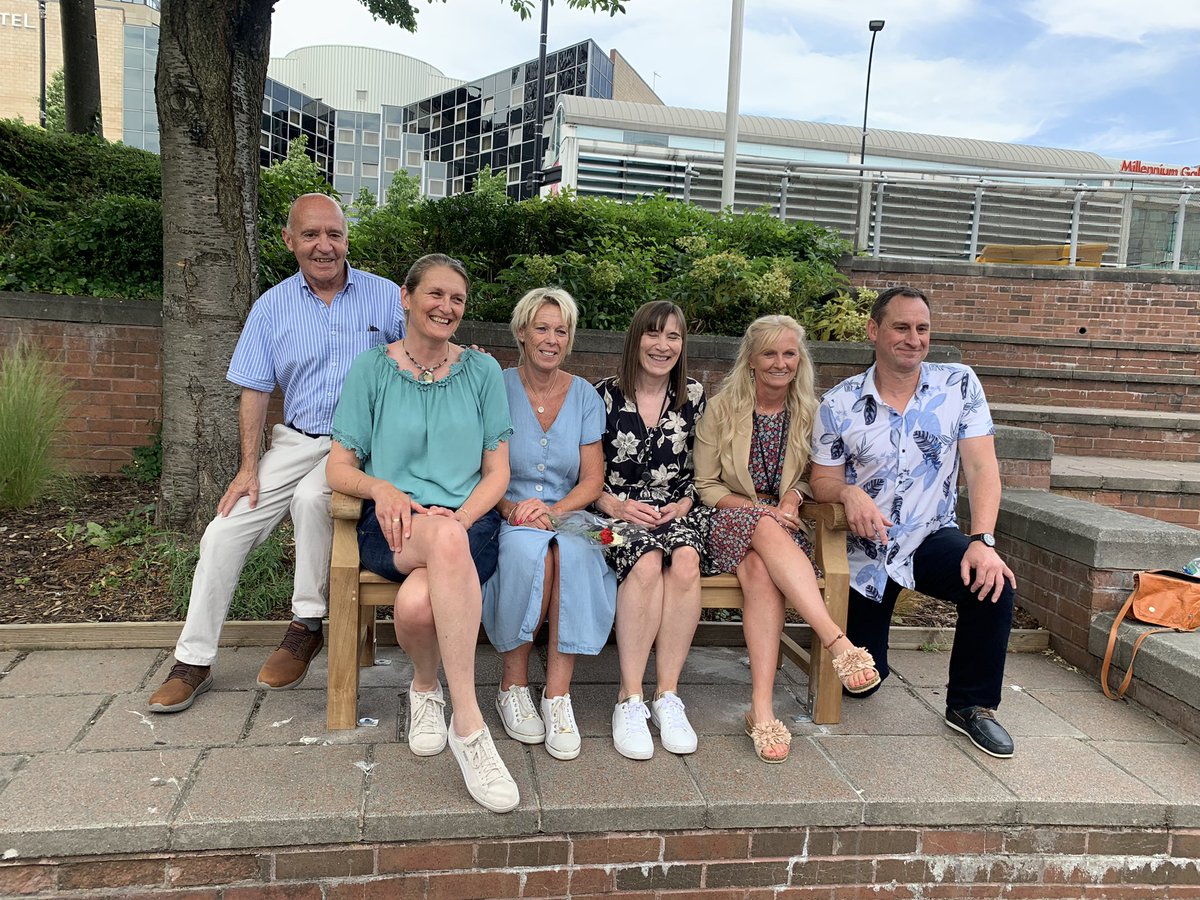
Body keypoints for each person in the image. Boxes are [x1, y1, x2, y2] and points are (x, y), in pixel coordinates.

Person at [149, 193, 403, 714]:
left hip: (359, 447)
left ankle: (305, 625)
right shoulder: (272, 306)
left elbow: (427, 350)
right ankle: (192, 661)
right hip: (295, 439)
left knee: (314, 501)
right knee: (223, 530)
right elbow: (254, 390)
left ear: (346, 238)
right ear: (290, 241)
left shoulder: (384, 297)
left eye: (333, 234)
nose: (323, 245)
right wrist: (247, 468)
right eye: (310, 235)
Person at [325, 253, 519, 813]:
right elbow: (337, 468)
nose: (446, 307)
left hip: (467, 523)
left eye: (457, 299)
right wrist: (383, 489)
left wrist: (456, 522)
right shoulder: (371, 370)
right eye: (435, 294)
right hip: (393, 525)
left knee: (414, 608)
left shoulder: (481, 372)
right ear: (406, 299)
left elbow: (497, 472)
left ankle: (426, 688)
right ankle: (471, 725)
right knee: (433, 558)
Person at [809, 285, 1017, 759]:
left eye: (922, 329)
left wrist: (982, 539)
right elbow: (821, 479)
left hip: (930, 536)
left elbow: (983, 468)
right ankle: (868, 657)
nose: (913, 338)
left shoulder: (958, 384)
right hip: (866, 549)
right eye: (901, 327)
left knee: (993, 584)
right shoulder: (839, 404)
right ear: (874, 331)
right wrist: (847, 491)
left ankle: (972, 707)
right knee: (863, 681)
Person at [694, 315, 880, 764]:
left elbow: (815, 478)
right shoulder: (721, 408)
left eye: (789, 353)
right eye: (770, 354)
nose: (781, 363)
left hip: (780, 534)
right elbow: (706, 485)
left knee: (760, 571)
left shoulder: (812, 412)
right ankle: (838, 642)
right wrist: (762, 509)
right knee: (764, 525)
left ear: (800, 359)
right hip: (725, 519)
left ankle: (761, 708)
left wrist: (794, 497)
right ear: (752, 360)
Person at [482, 288, 615, 761]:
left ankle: (558, 697)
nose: (551, 338)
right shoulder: (494, 385)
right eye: (542, 328)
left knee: (574, 552)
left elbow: (593, 478)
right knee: (523, 552)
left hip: (571, 514)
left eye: (561, 330)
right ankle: (512, 686)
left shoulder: (583, 395)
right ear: (522, 332)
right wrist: (510, 510)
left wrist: (555, 513)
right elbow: (480, 469)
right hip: (510, 512)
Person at [593, 300, 708, 760]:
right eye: (654, 334)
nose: (663, 345)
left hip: (677, 512)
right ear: (635, 338)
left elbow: (706, 471)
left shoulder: (695, 396)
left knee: (684, 562)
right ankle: (630, 697)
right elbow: (583, 473)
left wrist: (684, 502)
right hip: (606, 521)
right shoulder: (601, 395)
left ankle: (668, 697)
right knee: (643, 562)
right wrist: (614, 504)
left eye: (674, 337)